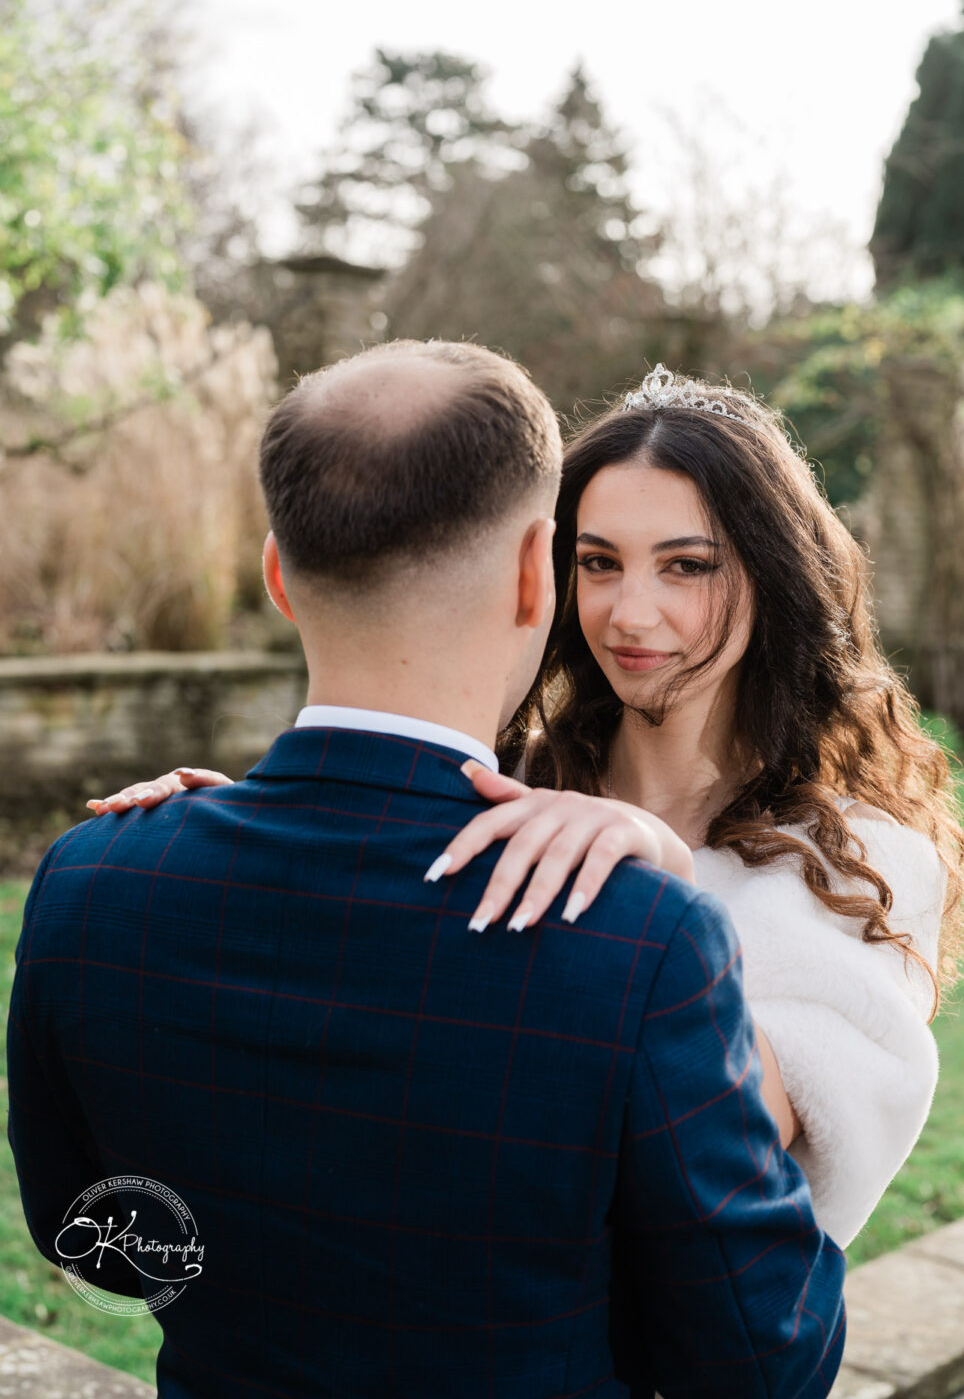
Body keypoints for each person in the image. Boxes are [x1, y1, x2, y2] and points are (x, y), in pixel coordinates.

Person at [7, 341, 845, 1399]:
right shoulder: (641, 937)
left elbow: (90, 1245)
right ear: (538, 571)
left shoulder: (90, 880)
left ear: (276, 574)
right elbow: (764, 1361)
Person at [104, 364, 964, 1251]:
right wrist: (251, 836)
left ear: (773, 575)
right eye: (599, 563)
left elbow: (752, 1138)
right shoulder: (502, 780)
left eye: (687, 566)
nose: (632, 612)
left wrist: (662, 873)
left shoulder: (855, 857)